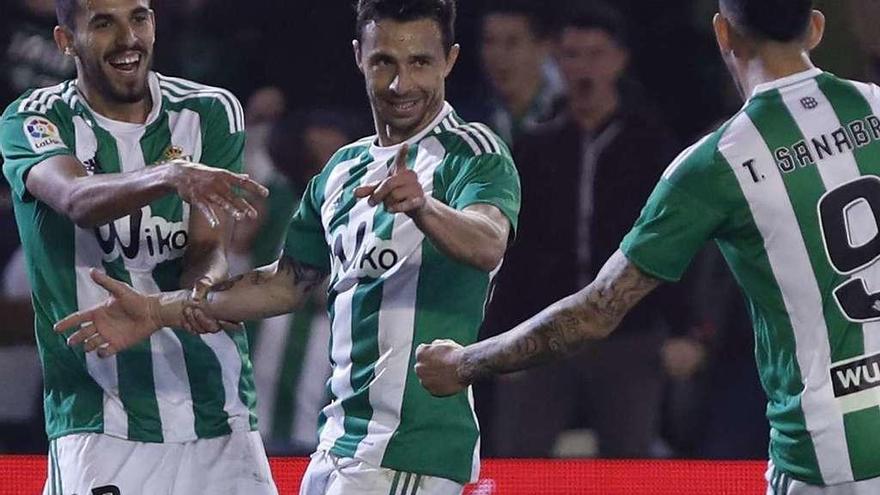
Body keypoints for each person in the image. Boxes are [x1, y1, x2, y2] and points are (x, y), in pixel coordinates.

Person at [53, 0, 521, 494]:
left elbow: (488, 241)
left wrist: (424, 208)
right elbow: (283, 284)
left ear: (449, 60)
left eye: (420, 63)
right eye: (385, 62)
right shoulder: (342, 171)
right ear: (359, 56)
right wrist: (155, 309)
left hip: (413, 453)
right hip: (337, 447)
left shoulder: (473, 152)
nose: (401, 84)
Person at [416, 0, 880, 493]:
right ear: (815, 28)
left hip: (828, 455)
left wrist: (465, 363)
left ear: (723, 34)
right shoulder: (874, 103)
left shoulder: (715, 163)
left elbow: (596, 310)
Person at [0, 0, 274, 493]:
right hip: (99, 420)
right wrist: (170, 175)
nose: (128, 38)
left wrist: (199, 297)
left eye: (140, 17)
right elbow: (76, 198)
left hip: (218, 411)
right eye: (104, 23)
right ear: (66, 41)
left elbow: (208, 249)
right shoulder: (36, 119)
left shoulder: (210, 110)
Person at [481, 2, 681, 458]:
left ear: (619, 60)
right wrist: (501, 335)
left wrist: (687, 330)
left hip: (630, 332)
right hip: (541, 328)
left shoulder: (651, 144)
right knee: (516, 461)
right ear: (557, 61)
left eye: (595, 54)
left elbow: (676, 241)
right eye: (572, 55)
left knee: (629, 466)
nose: (583, 67)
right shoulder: (535, 145)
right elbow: (514, 249)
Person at [463, 0, 563, 146]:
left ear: (543, 47)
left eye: (512, 42)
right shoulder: (468, 121)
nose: (498, 54)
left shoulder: (569, 114)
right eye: (489, 41)